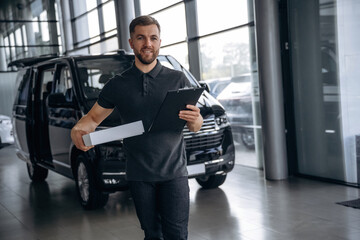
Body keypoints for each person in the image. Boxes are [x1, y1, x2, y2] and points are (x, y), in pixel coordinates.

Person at [71, 15, 203, 240]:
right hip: (139, 176)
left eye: (153, 38)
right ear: (131, 43)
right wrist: (77, 131)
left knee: (178, 235)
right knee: (152, 235)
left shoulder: (178, 79)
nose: (148, 43)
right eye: (141, 38)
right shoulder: (117, 85)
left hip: (174, 174)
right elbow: (92, 119)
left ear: (160, 42)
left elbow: (196, 125)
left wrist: (195, 120)